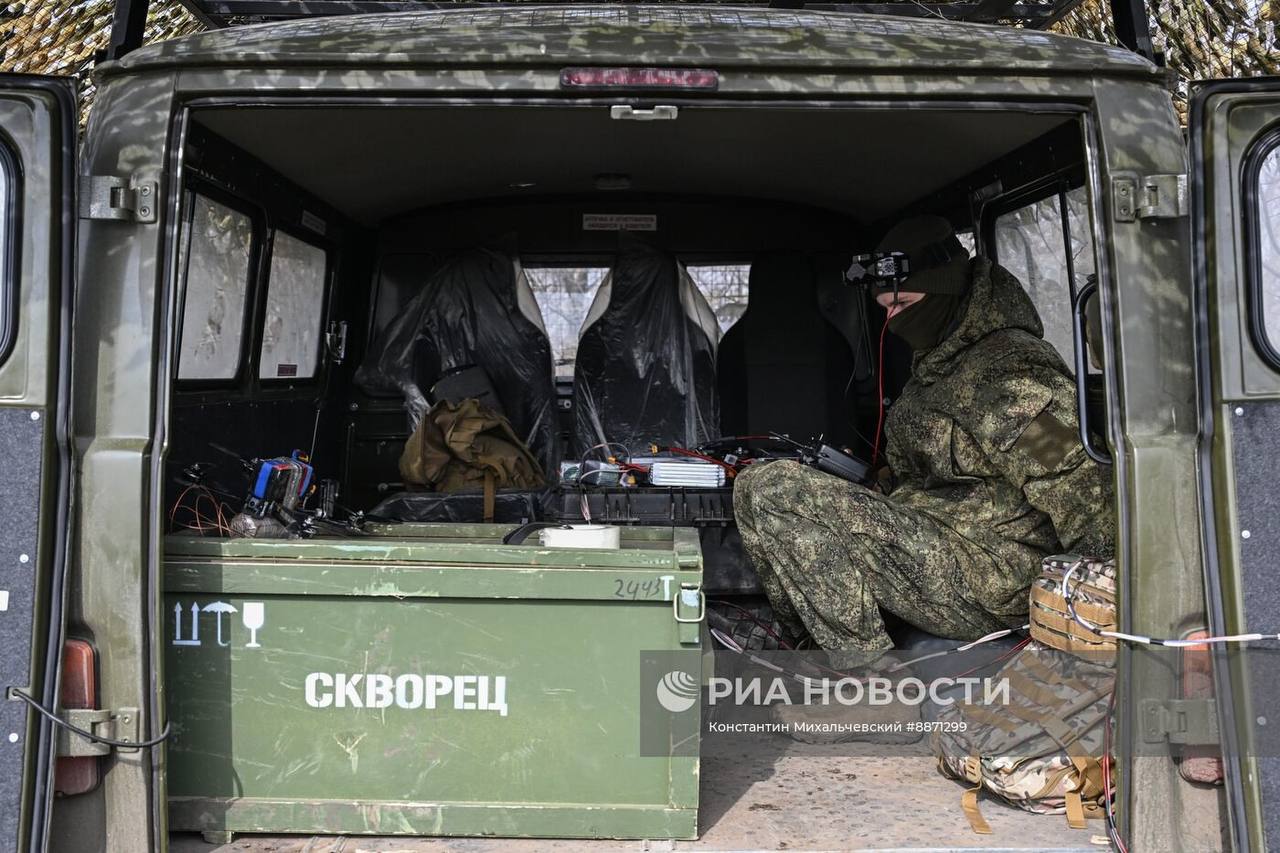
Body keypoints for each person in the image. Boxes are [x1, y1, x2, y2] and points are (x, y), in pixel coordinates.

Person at [733, 215, 1114, 663]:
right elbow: (949, 472)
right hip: (945, 543)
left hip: (993, 574)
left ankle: (871, 684)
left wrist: (1098, 605)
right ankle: (812, 655)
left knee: (775, 489)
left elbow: (1081, 487)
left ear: (943, 289)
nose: (892, 319)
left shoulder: (1007, 374)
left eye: (902, 303)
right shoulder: (943, 357)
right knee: (755, 486)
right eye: (885, 307)